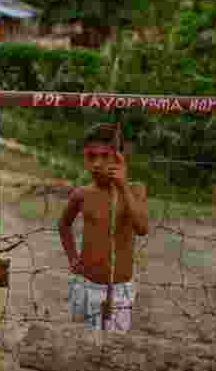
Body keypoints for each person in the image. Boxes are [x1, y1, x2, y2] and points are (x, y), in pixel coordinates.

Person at [58, 123, 149, 335]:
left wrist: (123, 185)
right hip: (85, 284)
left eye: (105, 156)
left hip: (118, 289)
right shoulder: (81, 194)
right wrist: (73, 258)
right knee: (82, 344)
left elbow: (142, 227)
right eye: (91, 156)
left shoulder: (135, 190)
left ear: (119, 159)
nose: (97, 164)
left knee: (111, 349)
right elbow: (63, 225)